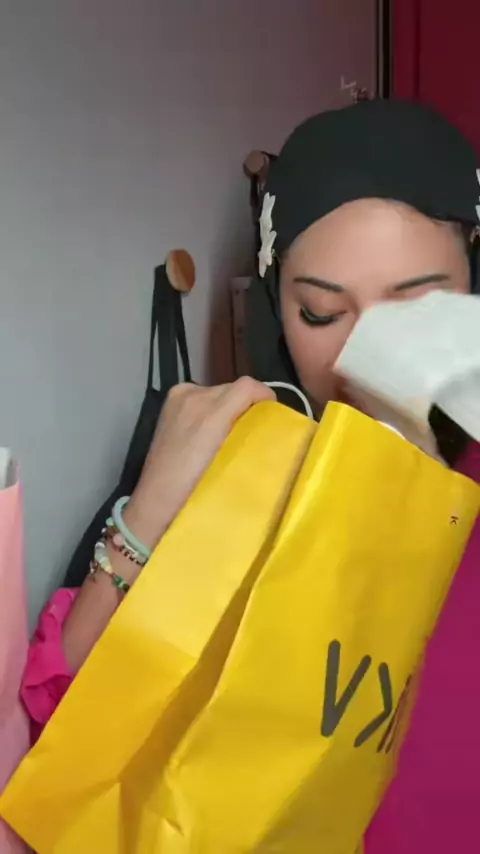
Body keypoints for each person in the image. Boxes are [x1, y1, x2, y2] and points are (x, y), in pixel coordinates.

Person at [21, 100, 480, 852]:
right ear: (276, 313)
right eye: (322, 313)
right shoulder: (238, 476)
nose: (371, 359)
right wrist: (148, 514)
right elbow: (64, 761)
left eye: (420, 305)